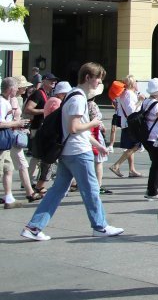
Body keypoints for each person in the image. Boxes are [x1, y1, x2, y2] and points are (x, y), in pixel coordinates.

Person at [21, 62, 124, 242]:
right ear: (87, 77)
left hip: (70, 150)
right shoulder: (78, 98)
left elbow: (71, 130)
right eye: (98, 78)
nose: (100, 83)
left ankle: (34, 227)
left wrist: (96, 144)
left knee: (58, 190)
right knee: (91, 189)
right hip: (77, 152)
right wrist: (95, 123)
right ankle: (100, 226)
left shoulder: (72, 95)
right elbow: (74, 128)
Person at [0, 78, 35, 208]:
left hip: (6, 141)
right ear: (10, 89)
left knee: (8, 169)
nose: (19, 89)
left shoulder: (7, 101)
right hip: (2, 140)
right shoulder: (2, 102)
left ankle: (9, 199)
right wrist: (17, 123)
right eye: (16, 87)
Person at [109, 76, 144, 179]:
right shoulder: (128, 94)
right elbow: (131, 112)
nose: (137, 84)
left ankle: (131, 170)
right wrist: (140, 101)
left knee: (130, 146)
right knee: (136, 145)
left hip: (127, 124)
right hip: (131, 125)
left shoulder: (126, 93)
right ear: (132, 83)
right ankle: (116, 165)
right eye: (136, 82)